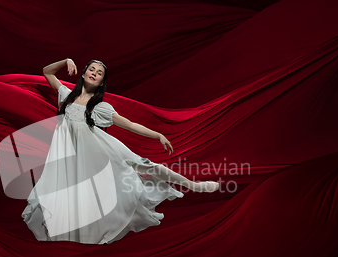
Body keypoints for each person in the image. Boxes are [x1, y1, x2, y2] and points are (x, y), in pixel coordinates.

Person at [21, 58, 220, 244]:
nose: (94, 73)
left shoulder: (100, 109)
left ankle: (194, 185)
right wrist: (66, 61)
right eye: (91, 69)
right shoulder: (66, 95)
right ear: (83, 74)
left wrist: (157, 134)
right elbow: (47, 72)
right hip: (73, 159)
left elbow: (130, 124)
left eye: (99, 73)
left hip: (100, 150)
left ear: (101, 83)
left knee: (145, 166)